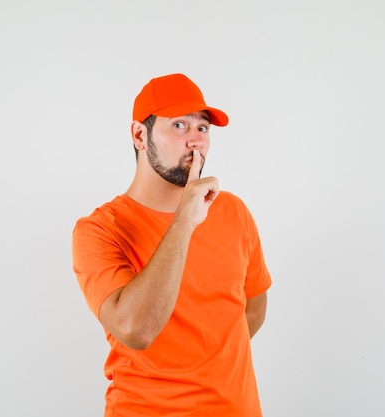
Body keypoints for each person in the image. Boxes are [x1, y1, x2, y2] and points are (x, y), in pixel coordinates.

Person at [72, 73, 272, 416]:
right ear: (139, 135)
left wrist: (205, 365)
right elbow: (135, 329)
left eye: (203, 128)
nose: (195, 140)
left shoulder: (234, 211)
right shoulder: (100, 230)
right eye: (179, 126)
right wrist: (184, 220)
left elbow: (253, 308)